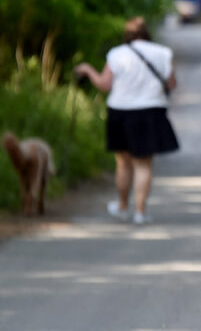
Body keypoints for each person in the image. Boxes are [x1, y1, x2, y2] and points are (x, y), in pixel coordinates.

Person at [74, 17, 179, 225]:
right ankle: (140, 212)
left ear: (127, 35)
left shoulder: (116, 54)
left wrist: (87, 71)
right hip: (151, 111)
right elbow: (172, 83)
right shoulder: (163, 53)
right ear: (146, 33)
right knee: (144, 164)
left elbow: (104, 85)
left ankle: (122, 206)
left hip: (120, 112)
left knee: (123, 163)